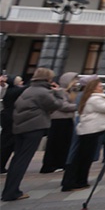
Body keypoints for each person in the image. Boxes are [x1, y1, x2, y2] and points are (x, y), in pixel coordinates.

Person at [2, 67, 77, 202]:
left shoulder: (29, 90)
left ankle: (10, 190)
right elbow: (58, 105)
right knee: (22, 161)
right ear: (48, 79)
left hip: (21, 128)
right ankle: (12, 192)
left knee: (17, 159)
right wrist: (59, 92)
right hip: (34, 128)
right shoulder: (43, 92)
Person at [62, 76, 105, 191]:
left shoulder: (90, 97)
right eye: (100, 86)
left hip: (89, 130)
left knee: (84, 157)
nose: (102, 88)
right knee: (83, 157)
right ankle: (77, 181)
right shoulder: (94, 99)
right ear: (93, 88)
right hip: (90, 130)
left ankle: (79, 180)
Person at [40, 71, 79, 173]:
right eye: (75, 80)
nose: (76, 83)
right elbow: (62, 106)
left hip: (66, 119)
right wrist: (78, 107)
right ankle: (50, 165)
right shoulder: (60, 92)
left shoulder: (69, 92)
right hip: (59, 120)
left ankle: (60, 163)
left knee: (64, 143)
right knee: (55, 143)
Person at [1, 75, 26, 173]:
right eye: (20, 82)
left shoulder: (8, 91)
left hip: (7, 116)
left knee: (6, 141)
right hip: (11, 118)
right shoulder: (14, 91)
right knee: (7, 143)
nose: (22, 83)